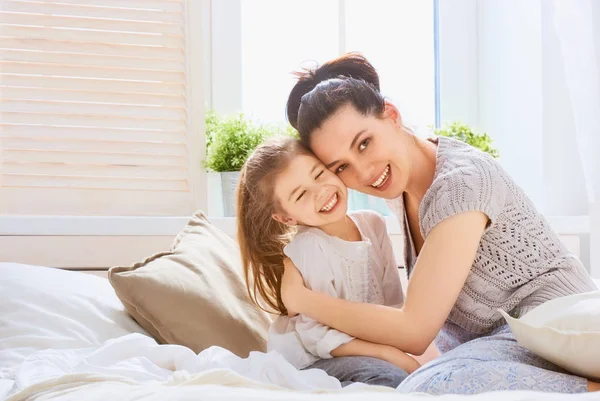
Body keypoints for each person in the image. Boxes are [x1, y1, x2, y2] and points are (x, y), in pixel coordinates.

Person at [281, 52, 600, 394]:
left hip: (550, 328)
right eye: (341, 167)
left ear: (391, 116)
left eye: (364, 143)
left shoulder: (460, 184)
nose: (363, 172)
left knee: (430, 386)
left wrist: (302, 300)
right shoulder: (403, 189)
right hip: (503, 341)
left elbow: (414, 331)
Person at [236, 137, 420, 388]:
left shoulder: (373, 224)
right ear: (286, 218)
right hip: (311, 357)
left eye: (319, 174)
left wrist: (398, 351)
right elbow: (316, 335)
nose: (320, 191)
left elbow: (392, 303)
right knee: (390, 378)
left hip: (361, 349)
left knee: (415, 375)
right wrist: (389, 354)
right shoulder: (309, 247)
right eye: (301, 194)